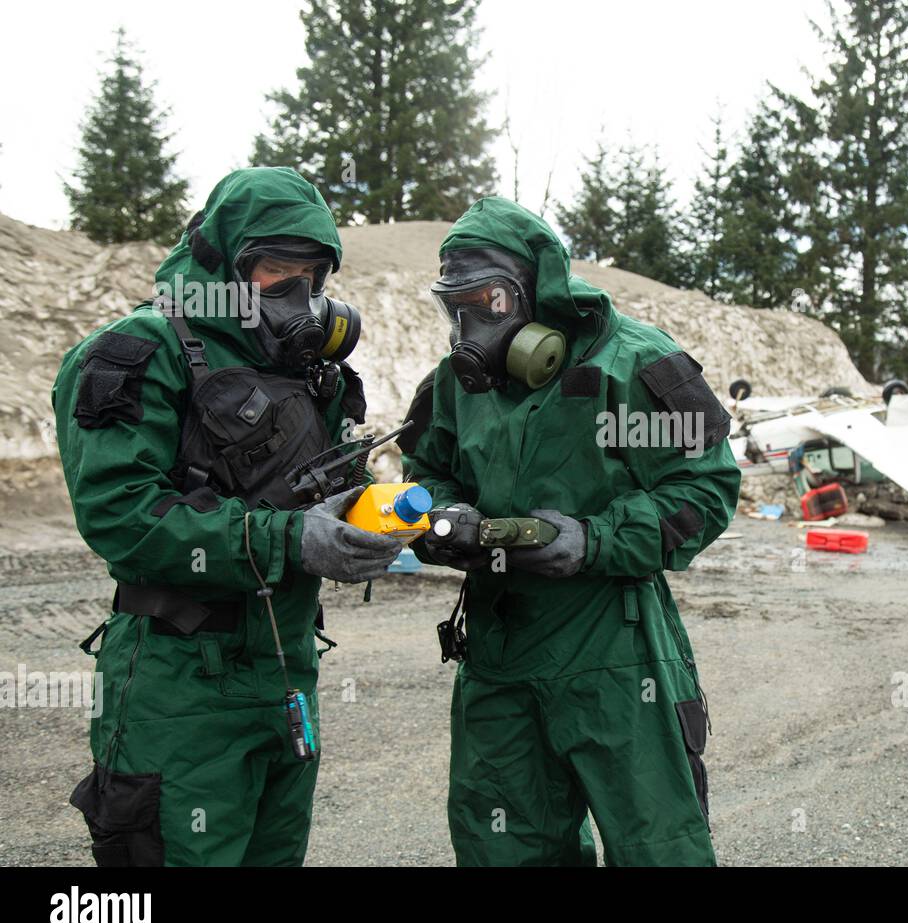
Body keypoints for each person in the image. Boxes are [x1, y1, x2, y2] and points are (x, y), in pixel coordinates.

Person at [51, 167, 400, 866]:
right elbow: (124, 517)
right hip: (179, 683)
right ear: (220, 266)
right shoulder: (137, 353)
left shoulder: (308, 371)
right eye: (274, 269)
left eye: (311, 274)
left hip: (285, 668)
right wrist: (292, 539)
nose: (295, 293)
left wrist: (371, 517)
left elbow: (315, 490)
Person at [399, 197, 741, 866]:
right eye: (456, 305)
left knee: (657, 844)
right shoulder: (454, 387)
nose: (472, 322)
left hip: (615, 647)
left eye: (490, 301)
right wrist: (441, 524)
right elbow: (423, 479)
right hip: (498, 651)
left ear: (538, 293)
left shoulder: (635, 364)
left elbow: (705, 489)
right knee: (503, 845)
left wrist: (596, 539)